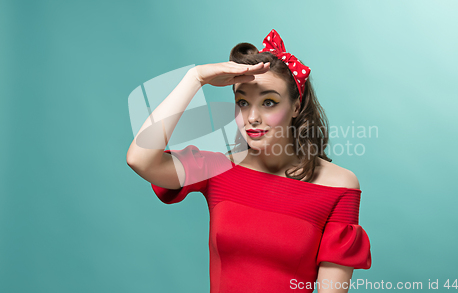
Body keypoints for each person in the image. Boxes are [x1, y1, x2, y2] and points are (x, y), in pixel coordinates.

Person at [126, 29, 372, 292]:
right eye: (243, 102)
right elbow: (140, 158)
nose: (252, 117)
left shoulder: (339, 186)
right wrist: (195, 78)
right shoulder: (216, 169)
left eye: (268, 102)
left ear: (296, 106)